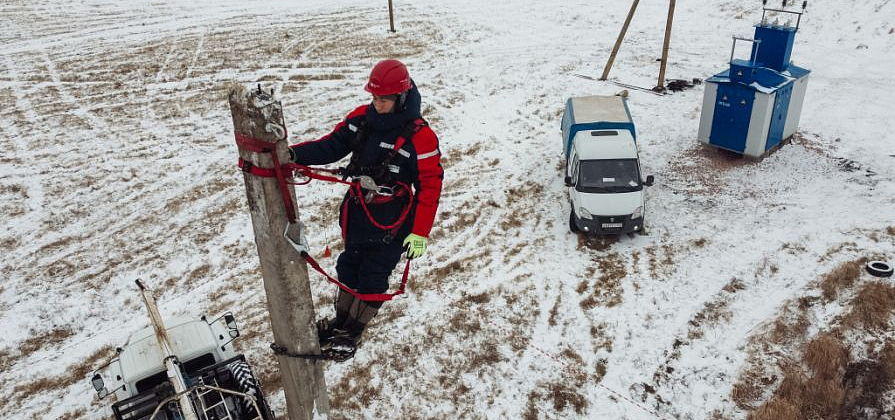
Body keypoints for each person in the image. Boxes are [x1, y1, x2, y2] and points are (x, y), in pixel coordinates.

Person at [288, 59, 443, 360]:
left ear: (400, 97)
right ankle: (340, 322)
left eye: (383, 99)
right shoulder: (362, 120)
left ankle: (354, 329)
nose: (377, 103)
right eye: (374, 97)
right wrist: (294, 154)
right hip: (359, 215)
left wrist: (420, 233)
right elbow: (330, 146)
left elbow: (430, 186)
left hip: (393, 224)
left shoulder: (420, 138)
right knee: (348, 268)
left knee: (373, 276)